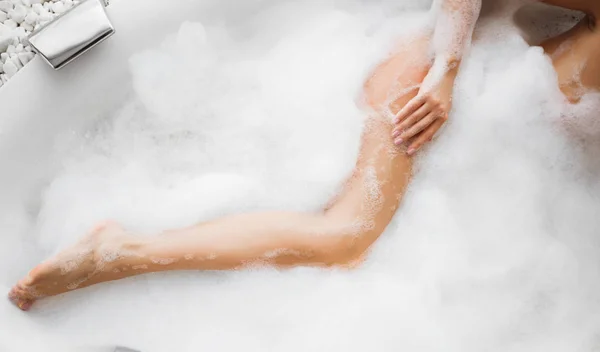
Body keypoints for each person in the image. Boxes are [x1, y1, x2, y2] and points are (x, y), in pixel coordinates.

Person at [9, 0, 600, 311]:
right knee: (345, 238)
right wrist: (445, 72)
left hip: (491, 121)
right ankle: (119, 252)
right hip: (430, 84)